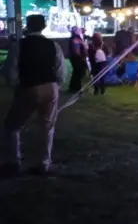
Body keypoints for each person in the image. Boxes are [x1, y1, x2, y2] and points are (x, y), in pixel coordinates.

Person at [2, 15, 67, 176]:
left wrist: (15, 87)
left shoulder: (19, 45)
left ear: (27, 26)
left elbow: (10, 69)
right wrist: (57, 85)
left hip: (29, 86)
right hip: (50, 87)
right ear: (43, 27)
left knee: (12, 125)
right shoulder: (53, 45)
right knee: (47, 126)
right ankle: (44, 163)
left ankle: (14, 161)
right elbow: (61, 69)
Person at [68, 26, 87, 94]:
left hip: (76, 58)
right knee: (78, 73)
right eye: (79, 29)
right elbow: (76, 50)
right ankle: (77, 87)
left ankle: (73, 87)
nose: (80, 30)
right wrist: (81, 58)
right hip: (77, 59)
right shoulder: (75, 38)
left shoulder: (76, 37)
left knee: (76, 72)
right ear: (76, 31)